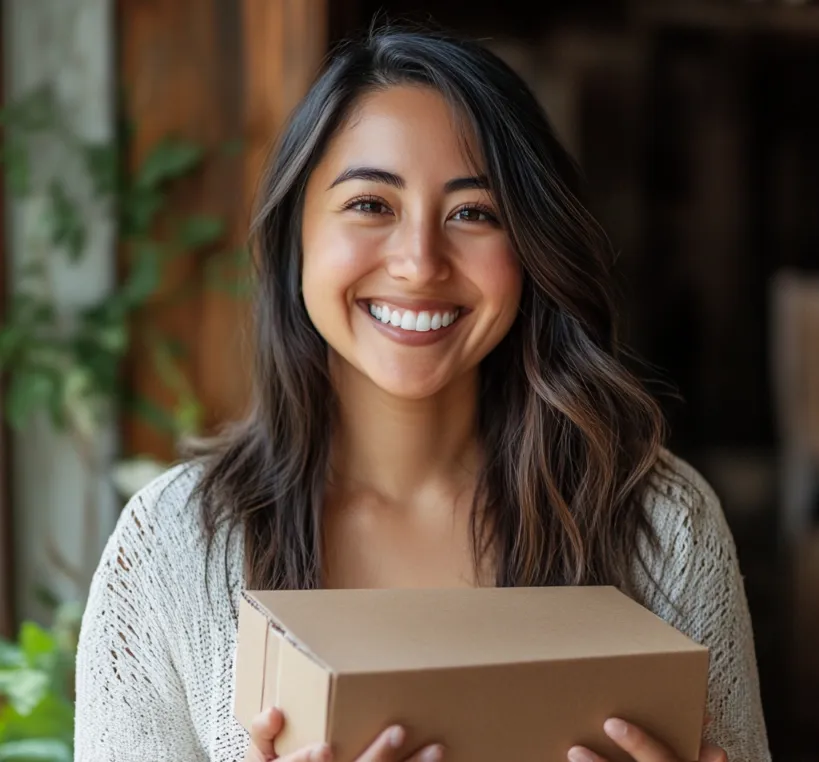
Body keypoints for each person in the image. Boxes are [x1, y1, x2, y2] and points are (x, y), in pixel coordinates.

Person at [74, 23, 771, 762]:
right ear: (296, 237)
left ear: (531, 248)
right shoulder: (177, 545)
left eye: (473, 213)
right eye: (371, 204)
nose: (418, 262)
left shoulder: (661, 525)